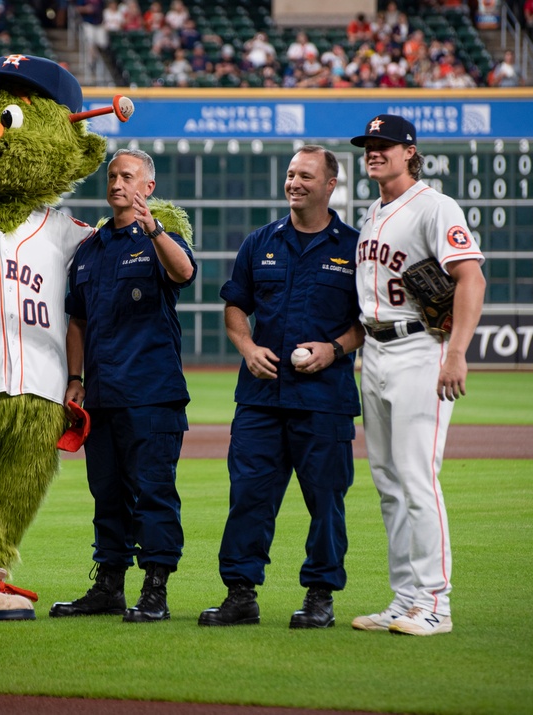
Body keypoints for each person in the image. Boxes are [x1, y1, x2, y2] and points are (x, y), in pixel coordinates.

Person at [198, 145, 363, 630]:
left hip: (324, 400)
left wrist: (334, 349)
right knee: (248, 496)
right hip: (260, 400)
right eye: (291, 174)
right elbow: (234, 306)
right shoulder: (259, 242)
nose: (294, 182)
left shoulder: (353, 246)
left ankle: (320, 597)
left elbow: (366, 322)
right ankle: (240, 594)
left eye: (306, 176)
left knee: (326, 502)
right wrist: (247, 348)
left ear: (330, 185)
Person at [348, 114, 485, 637]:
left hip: (421, 352)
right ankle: (406, 599)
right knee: (387, 482)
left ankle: (435, 605)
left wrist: (456, 351)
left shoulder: (435, 206)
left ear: (410, 152)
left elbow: (470, 277)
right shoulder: (371, 213)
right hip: (376, 354)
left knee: (417, 478)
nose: (374, 152)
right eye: (369, 145)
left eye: (384, 145)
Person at [49, 149, 196, 623]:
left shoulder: (159, 239)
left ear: (147, 188)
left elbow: (184, 272)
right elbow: (77, 320)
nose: (117, 183)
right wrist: (75, 379)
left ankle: (156, 588)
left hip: (152, 394)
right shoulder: (90, 249)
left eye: (128, 176)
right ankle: (109, 584)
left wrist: (154, 229)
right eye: (112, 175)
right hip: (104, 396)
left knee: (153, 491)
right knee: (107, 492)